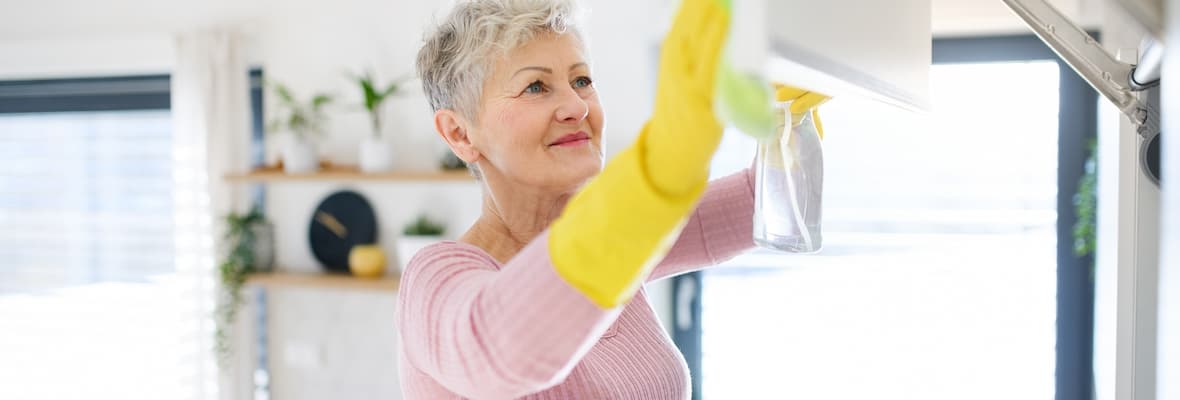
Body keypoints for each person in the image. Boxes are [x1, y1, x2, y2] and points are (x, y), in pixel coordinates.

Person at [397, 0, 819, 397]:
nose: (577, 106)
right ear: (459, 133)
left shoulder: (613, 244)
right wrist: (658, 170)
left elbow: (764, 206)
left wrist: (790, 122)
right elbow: (495, 347)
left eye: (581, 80)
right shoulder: (431, 281)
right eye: (536, 87)